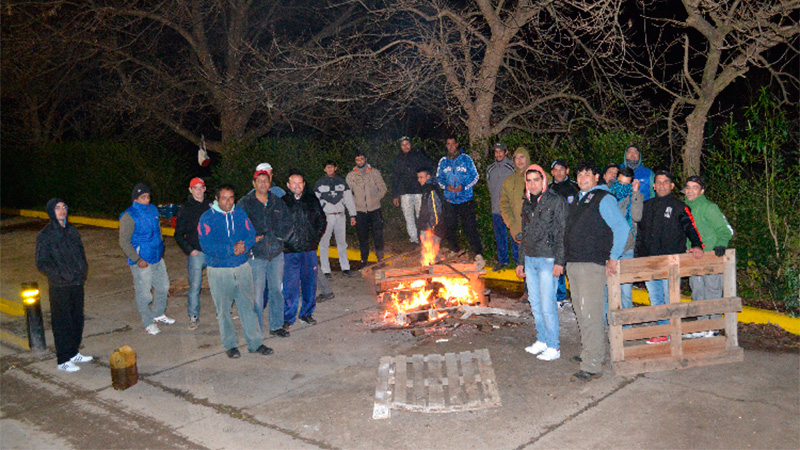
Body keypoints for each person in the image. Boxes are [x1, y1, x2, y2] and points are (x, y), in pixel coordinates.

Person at [564, 161, 630, 382]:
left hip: (592, 264)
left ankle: (593, 365)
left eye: (587, 174)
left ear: (596, 177)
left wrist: (613, 257)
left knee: (591, 314)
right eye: (580, 174)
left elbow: (622, 228)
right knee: (582, 313)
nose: (583, 178)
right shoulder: (579, 200)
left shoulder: (604, 198)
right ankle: (589, 352)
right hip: (575, 263)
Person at [198, 184, 273, 358]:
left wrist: (244, 246)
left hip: (242, 267)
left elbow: (250, 233)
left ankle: (255, 343)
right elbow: (207, 246)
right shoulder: (207, 218)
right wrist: (231, 249)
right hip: (219, 270)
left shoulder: (239, 213)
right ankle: (230, 345)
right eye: (224, 198)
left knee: (248, 307)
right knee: (223, 310)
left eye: (231, 198)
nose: (228, 202)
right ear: (216, 199)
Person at [636, 170, 704, 344]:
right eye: (658, 182)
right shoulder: (647, 205)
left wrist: (697, 245)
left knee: (670, 297)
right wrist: (639, 258)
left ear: (672, 185)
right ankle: (664, 332)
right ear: (653, 185)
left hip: (671, 262)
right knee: (656, 298)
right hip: (651, 261)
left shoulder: (679, 206)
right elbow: (640, 234)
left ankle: (671, 331)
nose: (662, 185)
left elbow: (690, 227)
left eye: (666, 182)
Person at [515, 165, 568, 362]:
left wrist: (560, 262)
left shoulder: (556, 201)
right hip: (530, 258)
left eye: (536, 179)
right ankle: (543, 339)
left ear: (543, 180)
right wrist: (521, 261)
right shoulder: (527, 203)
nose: (532, 184)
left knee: (547, 305)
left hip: (548, 259)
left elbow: (563, 233)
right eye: (529, 180)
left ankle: (554, 345)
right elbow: (524, 233)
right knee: (535, 304)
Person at [35, 198, 92, 372]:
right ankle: (63, 359)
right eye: (58, 208)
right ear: (51, 211)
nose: (62, 211)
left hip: (76, 283)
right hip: (60, 286)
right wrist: (60, 275)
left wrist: (83, 270)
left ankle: (73, 352)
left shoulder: (72, 231)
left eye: (64, 207)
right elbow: (42, 262)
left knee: (77, 319)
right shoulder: (46, 235)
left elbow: (80, 253)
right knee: (62, 322)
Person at [239, 164, 291, 338]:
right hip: (256, 255)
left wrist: (280, 237)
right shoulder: (245, 203)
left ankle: (276, 326)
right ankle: (256, 329)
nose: (262, 184)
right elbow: (237, 225)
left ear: (270, 183)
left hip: (276, 254)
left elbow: (288, 223)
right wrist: (249, 240)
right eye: (259, 181)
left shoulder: (277, 201)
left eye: (265, 180)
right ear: (254, 183)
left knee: (276, 290)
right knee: (257, 295)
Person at [119, 183, 174, 335]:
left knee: (163, 287)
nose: (147, 199)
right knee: (144, 294)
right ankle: (148, 321)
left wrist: (161, 247)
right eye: (143, 197)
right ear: (136, 199)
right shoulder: (128, 216)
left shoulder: (153, 210)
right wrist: (137, 260)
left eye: (148, 196)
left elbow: (158, 231)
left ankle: (158, 313)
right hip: (142, 261)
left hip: (157, 257)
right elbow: (124, 241)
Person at [684, 175, 734, 336]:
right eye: (688, 187)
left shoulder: (709, 207)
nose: (690, 190)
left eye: (695, 187)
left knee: (712, 290)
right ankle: (702, 326)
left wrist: (721, 245)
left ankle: (715, 326)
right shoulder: (683, 207)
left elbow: (724, 229)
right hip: (693, 257)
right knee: (697, 291)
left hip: (711, 255)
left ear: (702, 191)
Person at [282, 170, 327, 327]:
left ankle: (307, 313)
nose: (297, 185)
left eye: (300, 182)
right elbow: (277, 226)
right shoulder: (282, 203)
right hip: (290, 252)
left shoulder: (311, 200)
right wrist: (285, 242)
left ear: (304, 184)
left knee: (309, 284)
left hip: (309, 250)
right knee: (290, 286)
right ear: (288, 185)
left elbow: (322, 221)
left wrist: (314, 239)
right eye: (293, 183)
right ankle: (288, 317)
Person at [436, 136, 484, 267]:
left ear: (457, 145)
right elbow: (439, 178)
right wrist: (447, 186)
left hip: (465, 199)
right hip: (450, 200)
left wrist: (464, 187)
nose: (451, 146)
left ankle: (478, 254)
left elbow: (475, 176)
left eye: (453, 144)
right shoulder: (443, 161)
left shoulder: (466, 159)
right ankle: (454, 250)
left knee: (470, 227)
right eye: (448, 144)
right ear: (446, 145)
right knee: (450, 227)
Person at [174, 177, 212, 330]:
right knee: (195, 286)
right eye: (195, 187)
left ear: (204, 189)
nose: (198, 190)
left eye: (201, 187)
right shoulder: (185, 208)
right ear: (190, 190)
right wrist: (190, 250)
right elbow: (178, 234)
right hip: (196, 254)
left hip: (212, 252)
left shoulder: (211, 206)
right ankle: (193, 316)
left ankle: (222, 312)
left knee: (218, 284)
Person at [607, 167, 643, 310]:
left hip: (627, 248)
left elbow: (637, 216)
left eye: (626, 183)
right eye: (620, 182)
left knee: (626, 291)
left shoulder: (634, 196)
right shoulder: (608, 195)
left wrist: (635, 193)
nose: (622, 186)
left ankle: (627, 324)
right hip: (609, 247)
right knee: (608, 288)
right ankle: (607, 322)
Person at [314, 160, 357, 277]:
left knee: (342, 243)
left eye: (332, 167)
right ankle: (326, 270)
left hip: (340, 215)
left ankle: (345, 268)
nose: (330, 169)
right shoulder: (320, 183)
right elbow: (315, 202)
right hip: (326, 217)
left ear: (335, 168)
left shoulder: (342, 182)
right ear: (324, 169)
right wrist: (317, 218)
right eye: (327, 167)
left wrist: (353, 215)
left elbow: (349, 200)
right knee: (324, 243)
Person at [346, 151, 387, 265]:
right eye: (358, 160)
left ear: (366, 159)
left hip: (375, 209)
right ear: (355, 161)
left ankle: (380, 258)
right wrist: (354, 204)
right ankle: (364, 260)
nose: (360, 162)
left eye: (362, 159)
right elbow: (347, 193)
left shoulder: (374, 173)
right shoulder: (351, 176)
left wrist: (376, 199)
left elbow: (383, 188)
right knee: (362, 237)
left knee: (378, 235)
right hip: (359, 211)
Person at [391, 136, 433, 244]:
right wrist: (395, 195)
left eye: (407, 143)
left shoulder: (419, 155)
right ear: (400, 146)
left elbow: (428, 168)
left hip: (419, 191)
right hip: (404, 193)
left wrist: (428, 184)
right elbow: (395, 177)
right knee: (408, 216)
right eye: (403, 144)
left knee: (422, 215)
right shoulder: (397, 159)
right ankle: (413, 239)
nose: (405, 146)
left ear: (411, 144)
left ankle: (424, 239)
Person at [548, 159, 579, 307]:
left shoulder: (575, 187)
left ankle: (577, 297)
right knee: (557, 266)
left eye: (562, 169)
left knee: (573, 268)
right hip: (554, 235)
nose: (558, 172)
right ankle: (559, 297)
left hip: (573, 234)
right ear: (552, 172)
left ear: (567, 170)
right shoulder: (548, 188)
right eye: (555, 169)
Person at [486, 142, 516, 271]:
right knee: (500, 236)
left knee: (514, 236)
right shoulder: (490, 169)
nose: (498, 154)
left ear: (506, 152)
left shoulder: (513, 167)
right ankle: (503, 260)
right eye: (496, 151)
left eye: (501, 151)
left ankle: (518, 261)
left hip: (510, 209)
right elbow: (489, 187)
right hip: (496, 209)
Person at [499, 147, 531, 266]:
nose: (519, 160)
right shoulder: (509, 181)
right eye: (516, 158)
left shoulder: (539, 176)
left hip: (537, 234)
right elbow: (504, 204)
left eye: (522, 157)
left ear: (527, 158)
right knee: (522, 266)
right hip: (517, 230)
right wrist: (511, 224)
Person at [416, 168, 445, 247]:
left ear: (428, 177)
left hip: (432, 229)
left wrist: (432, 226)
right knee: (426, 252)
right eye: (418, 177)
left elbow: (435, 210)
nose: (419, 180)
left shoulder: (431, 190)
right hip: (426, 226)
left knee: (431, 252)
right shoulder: (426, 188)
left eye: (421, 177)